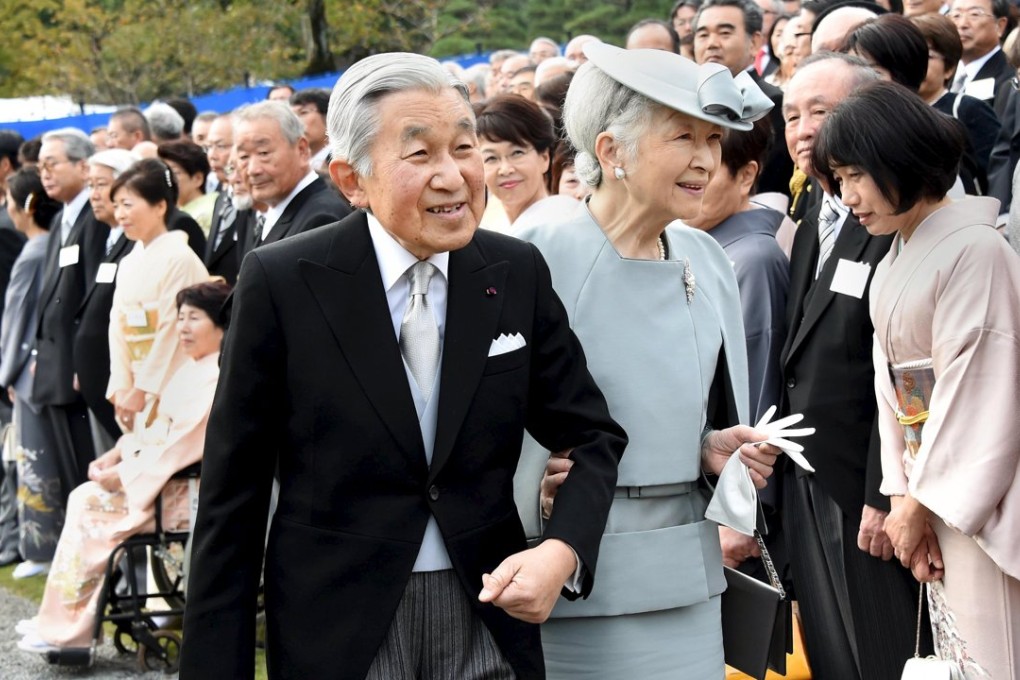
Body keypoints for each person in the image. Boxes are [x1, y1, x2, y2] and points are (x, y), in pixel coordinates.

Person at [179, 51, 627, 680]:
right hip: (338, 624)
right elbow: (235, 492)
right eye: (419, 155)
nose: (453, 176)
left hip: (487, 611)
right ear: (351, 180)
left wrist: (562, 549)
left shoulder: (513, 271)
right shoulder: (283, 281)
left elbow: (592, 435)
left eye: (464, 147)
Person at [516, 42, 780, 678]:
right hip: (576, 569)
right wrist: (529, 487)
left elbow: (697, 409)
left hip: (689, 574)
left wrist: (711, 448)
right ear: (610, 152)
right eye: (683, 137)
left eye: (713, 141)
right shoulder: (539, 250)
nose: (705, 161)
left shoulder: (705, 255)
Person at [814, 78, 1020, 680]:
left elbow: (981, 387)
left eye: (856, 175)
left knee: (993, 651)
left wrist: (923, 501)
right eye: (839, 179)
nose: (847, 196)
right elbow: (891, 391)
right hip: (934, 486)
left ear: (899, 159)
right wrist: (902, 492)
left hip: (979, 497)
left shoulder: (976, 250)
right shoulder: (900, 252)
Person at [780, 52, 930, 680]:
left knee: (887, 653)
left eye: (823, 110)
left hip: (867, 486)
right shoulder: (817, 211)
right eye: (791, 115)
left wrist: (883, 491)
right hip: (806, 474)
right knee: (832, 651)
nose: (804, 129)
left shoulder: (894, 217)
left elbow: (909, 373)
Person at [15, 280, 231, 653]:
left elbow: (180, 448)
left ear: (219, 324)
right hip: (157, 482)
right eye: (179, 319)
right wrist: (116, 454)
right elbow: (153, 433)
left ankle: (67, 633)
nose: (182, 328)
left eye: (193, 319)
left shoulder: (215, 376)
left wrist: (123, 476)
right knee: (86, 499)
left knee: (88, 502)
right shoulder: (192, 369)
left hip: (178, 493)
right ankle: (59, 625)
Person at [32, 129, 107, 578]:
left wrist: (82, 362)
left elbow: (91, 296)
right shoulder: (62, 217)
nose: (44, 172)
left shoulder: (95, 219)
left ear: (84, 166)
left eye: (52, 162)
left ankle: (94, 570)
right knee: (68, 470)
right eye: (41, 165)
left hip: (81, 369)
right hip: (55, 364)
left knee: (87, 470)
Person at [106, 159, 209, 435]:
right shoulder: (128, 261)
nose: (120, 214)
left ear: (160, 206)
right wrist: (121, 385)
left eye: (128, 204)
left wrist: (143, 388)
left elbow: (171, 329)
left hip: (170, 380)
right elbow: (116, 326)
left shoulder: (180, 258)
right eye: (116, 205)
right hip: (136, 381)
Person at [0, 169, 58, 576]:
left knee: (28, 461)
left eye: (9, 198)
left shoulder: (35, 251)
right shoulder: (42, 247)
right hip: (32, 367)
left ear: (27, 205)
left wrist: (5, 374)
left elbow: (17, 321)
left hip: (26, 372)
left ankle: (32, 545)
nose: (7, 207)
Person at [75, 149, 139, 453]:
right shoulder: (101, 234)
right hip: (98, 383)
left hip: (127, 387)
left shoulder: (138, 240)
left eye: (101, 185)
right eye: (90, 185)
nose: (94, 195)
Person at [232, 101, 351, 262]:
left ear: (301, 149)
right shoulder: (264, 212)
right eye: (244, 157)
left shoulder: (321, 220)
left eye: (263, 153)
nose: (253, 169)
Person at [914, 14, 1001, 192]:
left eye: (928, 56)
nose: (918, 63)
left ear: (950, 68)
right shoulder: (894, 112)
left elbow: (995, 172)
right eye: (912, 54)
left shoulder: (968, 109)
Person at [476, 95, 579, 232]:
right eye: (491, 158)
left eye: (517, 153)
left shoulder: (566, 220)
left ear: (544, 158)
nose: (505, 169)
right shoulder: (484, 225)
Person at [158, 140, 217, 235]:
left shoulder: (206, 212)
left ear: (198, 179)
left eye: (174, 173)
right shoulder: (177, 210)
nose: (166, 179)